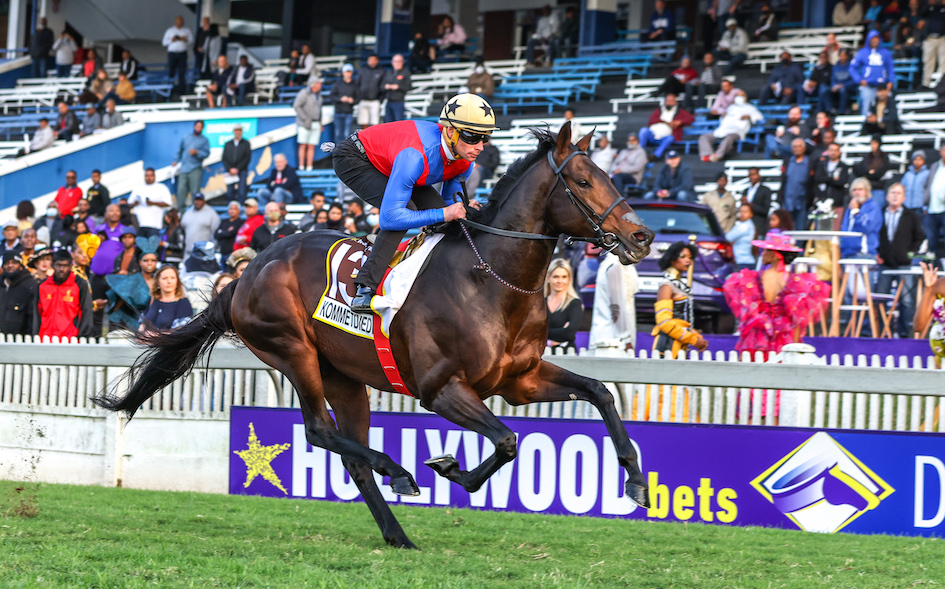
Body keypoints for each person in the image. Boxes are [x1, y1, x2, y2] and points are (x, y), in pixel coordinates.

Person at [332, 92, 495, 312]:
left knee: (444, 218)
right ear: (450, 131)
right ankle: (365, 288)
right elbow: (390, 218)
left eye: (484, 137)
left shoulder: (465, 162)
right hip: (356, 158)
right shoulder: (416, 157)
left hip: (397, 162)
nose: (480, 146)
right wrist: (444, 214)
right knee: (406, 211)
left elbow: (447, 204)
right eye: (472, 137)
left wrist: (462, 210)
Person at [723, 233, 829, 354]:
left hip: (759, 329)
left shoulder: (758, 277)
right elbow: (797, 316)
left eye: (765, 251)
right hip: (783, 330)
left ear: (774, 255)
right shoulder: (793, 281)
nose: (762, 254)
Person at [876, 183, 925, 337]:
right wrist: (876, 253)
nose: (895, 195)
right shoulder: (879, 213)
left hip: (904, 265)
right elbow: (874, 235)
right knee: (881, 298)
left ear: (904, 197)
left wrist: (909, 254)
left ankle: (904, 334)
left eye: (898, 193)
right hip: (884, 263)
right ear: (887, 196)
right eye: (892, 192)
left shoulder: (911, 216)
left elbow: (920, 237)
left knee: (906, 301)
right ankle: (884, 333)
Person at [653, 242, 707, 357]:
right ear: (672, 260)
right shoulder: (667, 286)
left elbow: (684, 322)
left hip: (681, 344)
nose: (688, 261)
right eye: (683, 257)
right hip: (668, 344)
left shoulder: (679, 286)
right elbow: (664, 322)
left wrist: (697, 337)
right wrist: (693, 339)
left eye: (690, 257)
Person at [36, 250, 93, 339]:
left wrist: (82, 337)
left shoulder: (80, 284)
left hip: (70, 339)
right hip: (45, 338)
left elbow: (86, 311)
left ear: (71, 266)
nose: (62, 269)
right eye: (59, 265)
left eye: (65, 266)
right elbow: (37, 314)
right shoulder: (43, 285)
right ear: (52, 265)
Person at [588, 251, 639, 351]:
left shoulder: (617, 265)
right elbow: (616, 306)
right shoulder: (615, 267)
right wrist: (626, 338)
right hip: (612, 339)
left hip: (612, 335)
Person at [698, 90, 764, 163]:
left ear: (745, 97)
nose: (739, 98)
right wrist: (723, 115)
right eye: (737, 96)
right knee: (704, 137)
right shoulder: (731, 108)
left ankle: (717, 156)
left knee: (729, 138)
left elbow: (760, 117)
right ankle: (707, 155)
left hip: (737, 131)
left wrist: (749, 116)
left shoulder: (750, 108)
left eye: (741, 96)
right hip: (723, 129)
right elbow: (721, 116)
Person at [850, 30, 895, 115]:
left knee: (887, 106)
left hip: (882, 86)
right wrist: (859, 79)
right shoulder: (862, 52)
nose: (874, 40)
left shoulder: (885, 53)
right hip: (868, 85)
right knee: (867, 104)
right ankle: (866, 124)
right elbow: (852, 68)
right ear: (869, 39)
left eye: (876, 38)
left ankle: (884, 124)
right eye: (872, 38)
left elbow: (890, 68)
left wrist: (891, 80)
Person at [639, 93, 694, 161]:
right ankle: (639, 153)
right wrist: (667, 123)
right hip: (652, 135)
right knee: (643, 130)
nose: (670, 103)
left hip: (665, 137)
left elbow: (691, 119)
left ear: (675, 102)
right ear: (665, 102)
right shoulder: (659, 110)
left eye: (672, 101)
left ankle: (655, 155)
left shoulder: (680, 112)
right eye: (668, 101)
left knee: (670, 138)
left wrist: (680, 121)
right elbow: (652, 119)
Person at [543, 258, 582, 349]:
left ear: (569, 279)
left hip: (567, 354)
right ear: (548, 278)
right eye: (556, 277)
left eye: (564, 277)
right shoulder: (540, 303)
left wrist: (543, 333)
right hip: (542, 355)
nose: (560, 281)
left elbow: (569, 333)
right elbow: (530, 332)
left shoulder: (575, 303)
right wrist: (560, 332)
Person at [140, 265, 193, 333]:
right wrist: (141, 334)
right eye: (164, 278)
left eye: (172, 278)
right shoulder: (153, 300)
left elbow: (181, 332)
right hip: (146, 342)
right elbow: (142, 324)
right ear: (158, 282)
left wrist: (156, 336)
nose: (169, 281)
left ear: (177, 281)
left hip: (166, 342)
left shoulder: (183, 303)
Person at [840, 178, 883, 259]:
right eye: (854, 190)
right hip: (847, 253)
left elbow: (866, 227)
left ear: (866, 191)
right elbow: (844, 228)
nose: (857, 193)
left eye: (860, 189)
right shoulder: (850, 207)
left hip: (864, 253)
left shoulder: (873, 207)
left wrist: (856, 212)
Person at [173, 120, 210, 212]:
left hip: (195, 169)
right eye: (197, 126)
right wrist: (176, 161)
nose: (198, 128)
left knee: (195, 193)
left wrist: (197, 153)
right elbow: (180, 150)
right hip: (184, 169)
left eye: (200, 127)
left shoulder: (204, 140)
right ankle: (180, 213)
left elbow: (206, 153)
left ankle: (195, 212)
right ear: (194, 126)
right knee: (181, 192)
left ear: (202, 128)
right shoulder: (186, 137)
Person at [128, 168, 174, 238]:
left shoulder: (161, 188)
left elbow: (168, 203)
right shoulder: (138, 188)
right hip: (139, 225)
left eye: (151, 175)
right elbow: (129, 204)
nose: (149, 178)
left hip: (154, 225)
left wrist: (153, 203)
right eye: (147, 176)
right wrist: (135, 203)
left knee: (152, 247)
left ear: (154, 176)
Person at [1, 251, 38, 335]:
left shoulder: (30, 285)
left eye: (14, 263)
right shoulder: (1, 284)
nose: (10, 266)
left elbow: (32, 316)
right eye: (7, 263)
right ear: (2, 267)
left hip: (21, 338)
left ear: (21, 266)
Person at [780, 138, 812, 231]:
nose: (797, 148)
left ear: (804, 148)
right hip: (787, 201)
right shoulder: (788, 161)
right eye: (795, 146)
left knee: (800, 229)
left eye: (799, 146)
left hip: (802, 202)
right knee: (786, 228)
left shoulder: (809, 162)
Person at [180, 193, 221, 258]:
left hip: (204, 252)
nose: (197, 202)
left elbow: (215, 231)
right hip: (189, 250)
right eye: (196, 200)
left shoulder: (211, 213)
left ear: (204, 201)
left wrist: (213, 247)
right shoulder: (188, 212)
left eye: (200, 200)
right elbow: (182, 227)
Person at [854, 135, 891, 206]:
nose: (872, 145)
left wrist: (868, 174)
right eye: (871, 143)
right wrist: (869, 172)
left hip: (878, 188)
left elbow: (881, 172)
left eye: (875, 143)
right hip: (866, 188)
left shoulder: (884, 157)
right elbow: (860, 170)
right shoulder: (867, 156)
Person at [813, 143, 851, 209]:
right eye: (831, 150)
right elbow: (818, 178)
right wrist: (832, 178)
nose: (833, 152)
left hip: (837, 201)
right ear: (827, 152)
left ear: (839, 152)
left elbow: (842, 181)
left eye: (835, 150)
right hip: (822, 201)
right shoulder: (822, 164)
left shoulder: (843, 166)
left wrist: (826, 179)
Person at [220, 125, 252, 203]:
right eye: (236, 130)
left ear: (241, 131)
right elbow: (224, 158)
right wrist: (229, 169)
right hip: (229, 171)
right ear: (233, 131)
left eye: (239, 130)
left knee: (242, 191)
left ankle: (240, 207)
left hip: (242, 171)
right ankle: (230, 208)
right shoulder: (228, 144)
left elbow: (247, 158)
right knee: (230, 191)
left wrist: (238, 168)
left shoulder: (246, 143)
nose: (238, 132)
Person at [925, 146, 945, 262]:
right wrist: (925, 202)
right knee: (931, 239)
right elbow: (928, 184)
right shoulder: (934, 166)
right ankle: (933, 266)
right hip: (932, 207)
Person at [163, 15, 193, 93]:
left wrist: (185, 39)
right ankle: (169, 90)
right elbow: (164, 43)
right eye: (178, 20)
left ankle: (182, 91)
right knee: (171, 72)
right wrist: (172, 40)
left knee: (182, 73)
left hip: (182, 54)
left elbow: (191, 42)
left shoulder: (186, 31)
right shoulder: (170, 30)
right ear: (175, 21)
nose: (179, 22)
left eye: (181, 20)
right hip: (172, 54)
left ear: (183, 22)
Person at [330, 64, 359, 145]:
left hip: (348, 112)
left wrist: (352, 100)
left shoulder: (354, 85)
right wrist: (340, 99)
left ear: (351, 73)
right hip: (338, 112)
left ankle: (346, 153)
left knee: (347, 134)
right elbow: (332, 97)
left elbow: (358, 98)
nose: (347, 74)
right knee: (338, 134)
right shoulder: (337, 84)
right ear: (343, 73)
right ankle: (339, 153)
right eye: (346, 72)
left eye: (349, 72)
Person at [357, 54, 385, 129]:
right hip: (363, 99)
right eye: (370, 60)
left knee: (375, 123)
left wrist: (380, 99)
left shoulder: (381, 71)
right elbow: (358, 84)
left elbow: (383, 87)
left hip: (375, 100)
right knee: (363, 122)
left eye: (374, 60)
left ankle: (374, 140)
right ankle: (363, 140)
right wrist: (359, 97)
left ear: (377, 61)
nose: (372, 62)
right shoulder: (362, 71)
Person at [743, 167, 773, 236]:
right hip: (747, 227)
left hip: (759, 226)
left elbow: (765, 210)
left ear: (759, 175)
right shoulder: (745, 190)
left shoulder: (765, 190)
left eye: (754, 174)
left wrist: (751, 205)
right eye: (750, 175)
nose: (752, 177)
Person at [921, 0, 945, 87]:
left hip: (943, 38)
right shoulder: (930, 7)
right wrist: (929, 3)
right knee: (928, 60)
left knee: (943, 61)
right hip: (930, 38)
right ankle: (926, 83)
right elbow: (921, 13)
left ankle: (941, 82)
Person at [382, 54, 412, 122]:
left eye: (399, 61)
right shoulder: (388, 73)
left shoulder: (405, 72)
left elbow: (409, 86)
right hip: (389, 101)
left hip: (399, 101)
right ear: (392, 62)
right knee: (388, 123)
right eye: (396, 61)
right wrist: (386, 86)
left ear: (402, 62)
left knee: (398, 123)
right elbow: (381, 86)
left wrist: (398, 87)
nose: (397, 63)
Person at [726, 203, 757, 269]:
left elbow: (727, 238)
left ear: (751, 214)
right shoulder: (745, 224)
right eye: (741, 211)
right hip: (744, 262)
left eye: (746, 212)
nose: (742, 214)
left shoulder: (744, 226)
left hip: (743, 262)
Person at [214, 201, 244, 267]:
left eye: (234, 209)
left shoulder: (240, 222)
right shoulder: (224, 221)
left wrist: (222, 232)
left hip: (233, 254)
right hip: (222, 252)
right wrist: (227, 232)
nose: (232, 211)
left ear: (238, 211)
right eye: (230, 208)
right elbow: (216, 234)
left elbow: (231, 234)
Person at [827, 49, 856, 114]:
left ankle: (842, 111)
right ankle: (830, 109)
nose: (842, 57)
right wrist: (833, 86)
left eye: (844, 55)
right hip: (837, 87)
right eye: (840, 56)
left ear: (847, 56)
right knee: (825, 90)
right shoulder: (835, 67)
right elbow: (833, 79)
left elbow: (854, 80)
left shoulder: (852, 66)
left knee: (843, 89)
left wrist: (843, 85)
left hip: (849, 88)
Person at [903, 150, 930, 215]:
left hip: (919, 206)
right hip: (907, 205)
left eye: (919, 159)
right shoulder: (908, 174)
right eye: (915, 159)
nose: (917, 162)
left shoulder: (927, 174)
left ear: (923, 161)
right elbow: (902, 187)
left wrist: (925, 205)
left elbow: (928, 190)